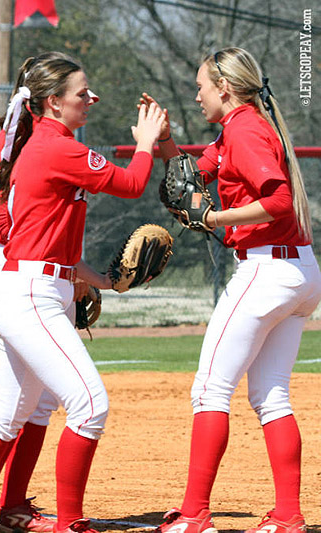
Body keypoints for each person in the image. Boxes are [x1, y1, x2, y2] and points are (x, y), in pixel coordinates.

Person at [0, 53, 165, 533]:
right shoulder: (56, 146)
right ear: (52, 101)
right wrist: (145, 143)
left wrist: (101, 279)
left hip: (32, 279)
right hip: (29, 289)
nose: (91, 98)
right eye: (81, 92)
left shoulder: (41, 143)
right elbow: (131, 184)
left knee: (12, 411)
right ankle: (71, 523)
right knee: (90, 405)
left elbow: (50, 239)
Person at [146, 47, 321, 533]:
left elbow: (279, 201)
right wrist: (163, 141)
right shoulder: (238, 129)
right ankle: (288, 515)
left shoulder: (243, 131)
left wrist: (217, 217)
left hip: (267, 272)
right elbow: (188, 176)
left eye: (201, 87)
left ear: (224, 88)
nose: (196, 95)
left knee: (209, 390)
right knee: (270, 396)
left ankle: (194, 514)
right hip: (298, 272)